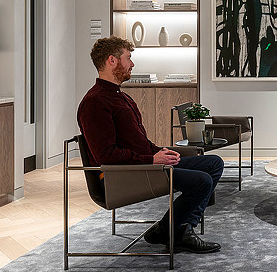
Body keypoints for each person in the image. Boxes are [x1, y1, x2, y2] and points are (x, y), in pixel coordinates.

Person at [77, 36, 223, 253]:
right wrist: (152, 159)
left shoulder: (122, 97)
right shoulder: (95, 102)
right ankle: (179, 231)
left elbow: (138, 142)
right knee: (201, 181)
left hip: (146, 165)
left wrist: (158, 151)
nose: (132, 64)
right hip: (129, 175)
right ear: (112, 61)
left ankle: (169, 229)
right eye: (128, 58)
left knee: (213, 164)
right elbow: (105, 155)